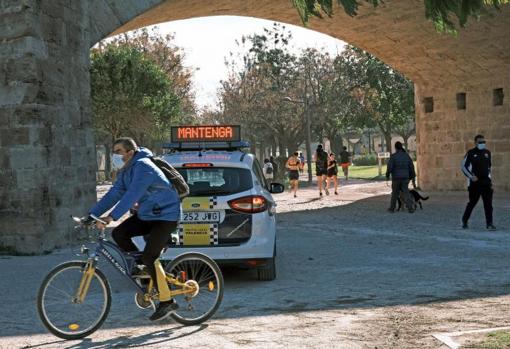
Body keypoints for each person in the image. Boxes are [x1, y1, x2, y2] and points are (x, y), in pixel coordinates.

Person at [89, 137, 181, 321]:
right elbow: (114, 193)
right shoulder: (127, 170)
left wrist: (111, 217)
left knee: (149, 256)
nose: (115, 156)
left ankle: (167, 301)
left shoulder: (143, 167)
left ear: (130, 153)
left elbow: (132, 195)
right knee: (119, 233)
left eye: (118, 152)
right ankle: (145, 273)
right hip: (148, 215)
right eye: (113, 151)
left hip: (166, 217)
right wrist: (91, 215)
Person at [461, 134, 496, 230]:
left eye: (484, 142)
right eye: (480, 142)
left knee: (488, 204)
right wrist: (471, 176)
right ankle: (464, 220)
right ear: (475, 143)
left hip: (486, 183)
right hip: (475, 184)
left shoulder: (487, 153)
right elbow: (463, 166)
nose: (482, 143)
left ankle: (489, 223)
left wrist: (490, 180)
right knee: (472, 203)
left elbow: (489, 168)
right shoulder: (471, 153)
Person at [386, 141, 416, 213]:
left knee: (394, 193)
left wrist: (387, 175)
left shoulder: (393, 156)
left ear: (395, 148)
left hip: (396, 177)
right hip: (405, 177)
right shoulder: (406, 156)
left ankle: (392, 208)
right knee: (406, 193)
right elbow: (411, 166)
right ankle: (410, 208)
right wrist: (412, 176)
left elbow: (390, 167)